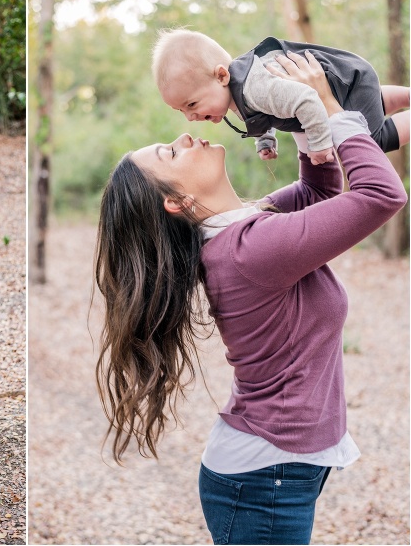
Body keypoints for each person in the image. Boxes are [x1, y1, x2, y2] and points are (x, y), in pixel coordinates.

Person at [94, 51, 406, 544]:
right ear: (177, 202)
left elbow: (317, 194)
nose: (185, 136)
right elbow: (379, 196)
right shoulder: (248, 252)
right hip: (265, 478)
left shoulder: (244, 228)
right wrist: (325, 101)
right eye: (171, 152)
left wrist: (304, 113)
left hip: (273, 469)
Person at [151, 28, 410, 164]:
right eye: (182, 111)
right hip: (348, 85)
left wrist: (320, 144)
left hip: (349, 82)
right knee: (359, 114)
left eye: (192, 104)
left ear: (221, 76)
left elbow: (306, 99)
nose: (190, 116)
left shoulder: (254, 88)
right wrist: (265, 141)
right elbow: (265, 113)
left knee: (370, 142)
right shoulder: (239, 93)